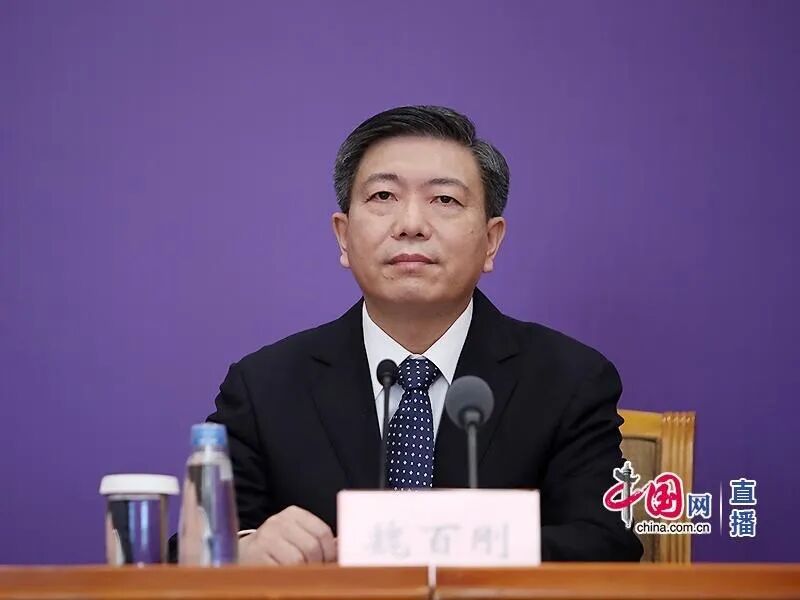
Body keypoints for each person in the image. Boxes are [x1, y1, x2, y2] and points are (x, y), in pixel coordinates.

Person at [170, 105, 642, 564]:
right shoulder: (264, 386)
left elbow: (607, 545)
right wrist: (243, 551)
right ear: (343, 236)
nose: (411, 225)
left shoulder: (568, 380)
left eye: (445, 200)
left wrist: (446, 545)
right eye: (383, 197)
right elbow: (187, 551)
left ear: (491, 241)